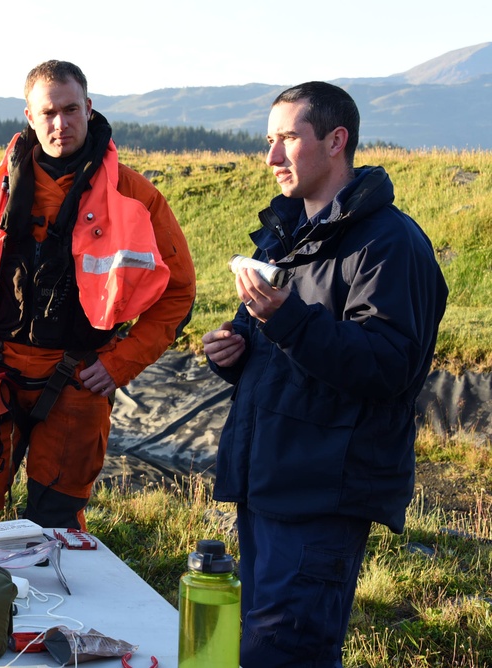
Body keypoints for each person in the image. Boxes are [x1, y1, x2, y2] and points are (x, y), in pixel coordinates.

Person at [202, 81, 447, 667]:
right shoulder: (284, 235)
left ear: (337, 141)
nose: (271, 158)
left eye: (288, 138)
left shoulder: (390, 244)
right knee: (261, 648)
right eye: (268, 140)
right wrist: (233, 347)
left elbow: (390, 366)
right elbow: (278, 343)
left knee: (285, 654)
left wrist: (288, 321)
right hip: (266, 481)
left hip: (323, 493)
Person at [0, 60, 196, 530]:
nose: (61, 123)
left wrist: (120, 363)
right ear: (29, 117)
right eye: (48, 112)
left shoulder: (134, 196)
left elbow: (178, 292)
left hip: (76, 380)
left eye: (71, 109)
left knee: (53, 531)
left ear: (89, 109)